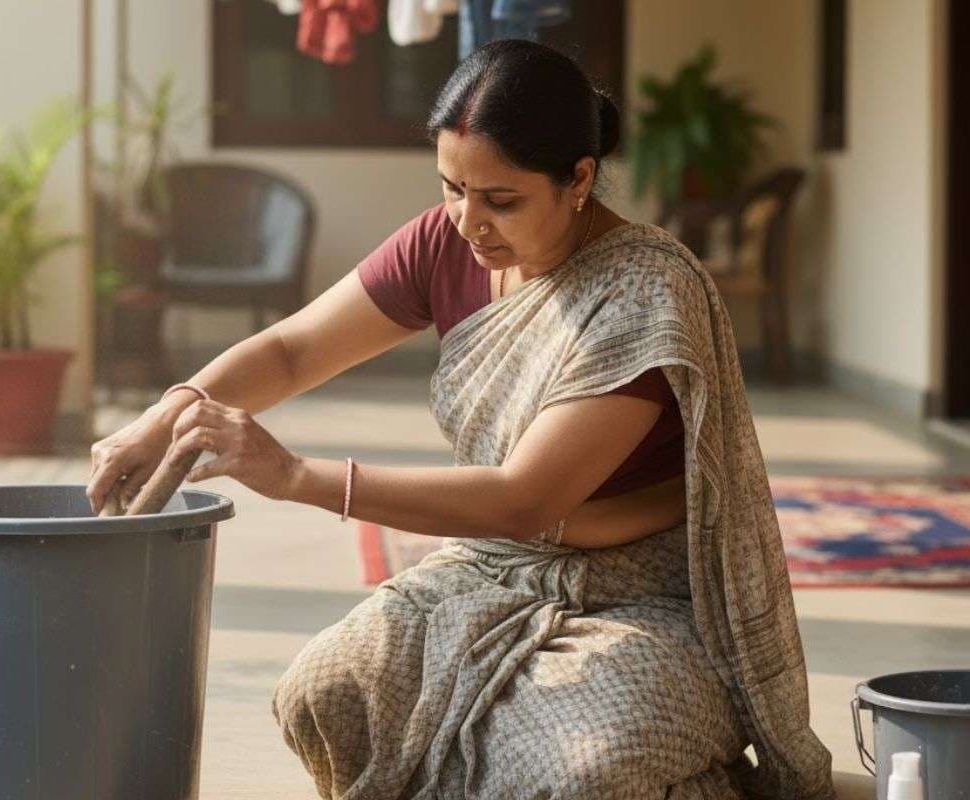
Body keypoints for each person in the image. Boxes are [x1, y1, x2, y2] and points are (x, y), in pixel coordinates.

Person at [86, 39, 835, 800]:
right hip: (493, 566)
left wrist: (296, 476)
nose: (469, 223)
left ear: (578, 179)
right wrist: (167, 412)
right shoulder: (444, 243)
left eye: (500, 200)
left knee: (576, 770)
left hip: (646, 597)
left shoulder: (643, 291)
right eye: (451, 188)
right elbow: (290, 349)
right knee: (325, 693)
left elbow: (525, 499)